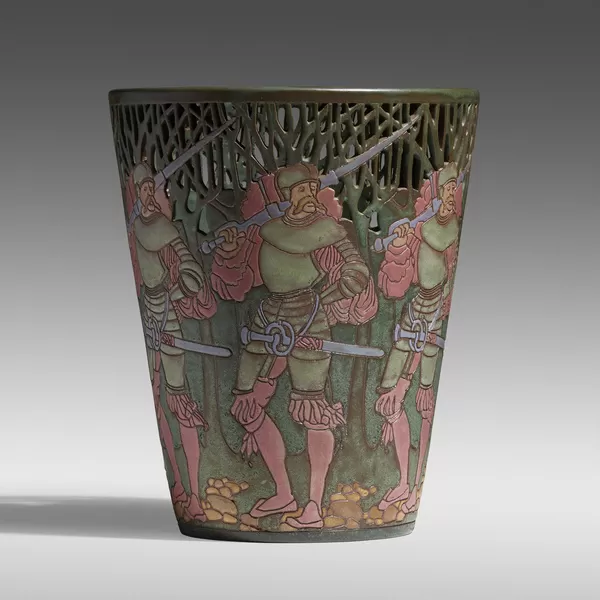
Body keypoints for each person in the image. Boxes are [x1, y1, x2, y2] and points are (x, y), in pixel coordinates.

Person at [211, 162, 378, 529]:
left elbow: (357, 270)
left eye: (311, 188)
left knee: (312, 409)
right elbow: (243, 273)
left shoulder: (328, 229)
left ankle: (315, 504)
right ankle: (283, 492)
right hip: (267, 316)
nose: (307, 196)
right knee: (245, 402)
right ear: (286, 195)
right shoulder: (267, 228)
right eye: (299, 190)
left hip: (309, 314)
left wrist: (327, 299)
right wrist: (231, 250)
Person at [125, 162, 217, 521]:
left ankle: (195, 495)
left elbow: (188, 264)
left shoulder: (163, 226)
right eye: (143, 188)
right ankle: (179, 486)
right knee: (160, 399)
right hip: (149, 312)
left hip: (168, 312)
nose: (148, 194)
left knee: (179, 402)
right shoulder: (135, 225)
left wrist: (184, 285)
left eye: (152, 188)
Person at [375, 162, 465, 514]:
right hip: (413, 314)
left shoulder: (453, 230)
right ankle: (401, 483)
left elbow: (447, 279)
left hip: (434, 318)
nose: (449, 196)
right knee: (389, 396)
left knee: (423, 403)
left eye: (454, 189)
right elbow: (394, 287)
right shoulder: (418, 229)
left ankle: (413, 489)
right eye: (445, 189)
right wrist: (398, 248)